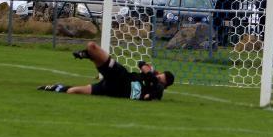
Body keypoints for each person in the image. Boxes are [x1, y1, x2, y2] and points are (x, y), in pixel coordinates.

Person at [38, 41, 175, 100]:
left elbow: (149, 96)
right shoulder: (150, 77)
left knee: (73, 91)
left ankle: (51, 87)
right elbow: (141, 64)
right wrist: (150, 73)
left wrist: (152, 86)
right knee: (92, 46)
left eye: (161, 80)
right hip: (120, 76)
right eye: (159, 76)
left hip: (111, 90)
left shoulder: (158, 89)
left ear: (165, 85)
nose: (158, 79)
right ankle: (89, 55)